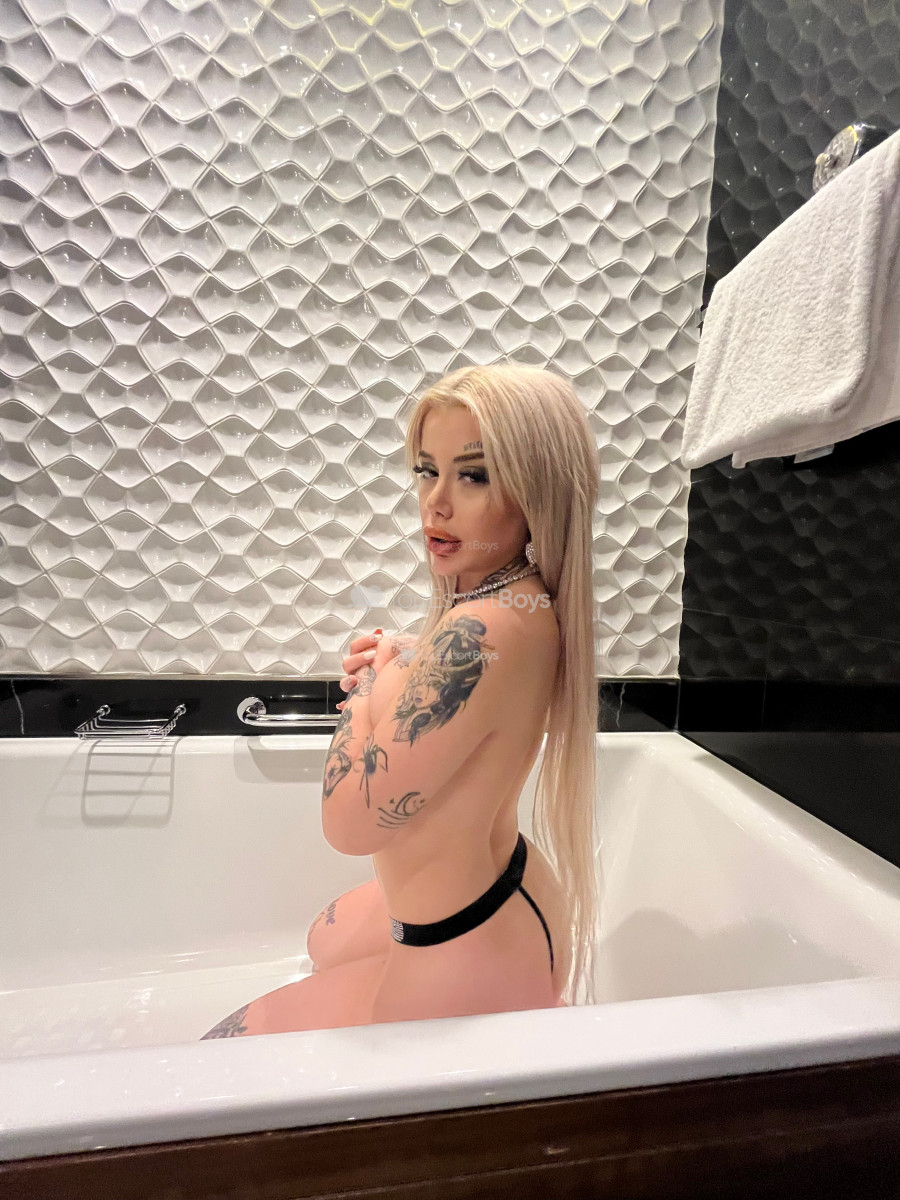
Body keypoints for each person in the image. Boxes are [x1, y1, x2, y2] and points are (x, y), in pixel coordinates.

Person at [200, 363, 600, 1038]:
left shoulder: (484, 631)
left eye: (474, 475)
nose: (435, 503)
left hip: (459, 942)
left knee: (222, 1049)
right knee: (324, 937)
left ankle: (495, 1011)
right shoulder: (520, 599)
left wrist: (363, 692)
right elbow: (485, 683)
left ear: (536, 490)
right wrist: (408, 658)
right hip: (508, 891)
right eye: (427, 470)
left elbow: (349, 827)